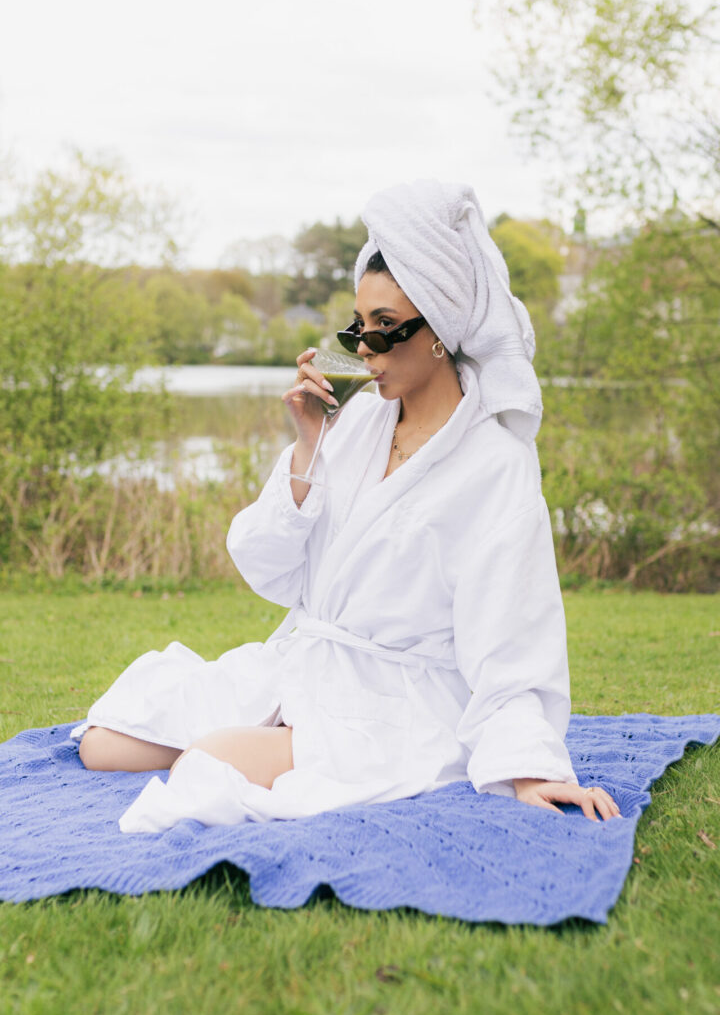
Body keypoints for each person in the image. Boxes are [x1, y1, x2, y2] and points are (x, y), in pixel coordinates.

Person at [76, 179, 620, 833]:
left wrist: (531, 770)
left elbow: (512, 642)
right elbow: (269, 570)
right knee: (103, 743)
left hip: (400, 701)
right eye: (357, 328)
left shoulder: (494, 468)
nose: (363, 350)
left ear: (441, 331)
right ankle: (276, 728)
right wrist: (309, 448)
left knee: (208, 762)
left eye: (386, 331)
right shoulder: (360, 425)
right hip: (308, 663)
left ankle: (279, 741)